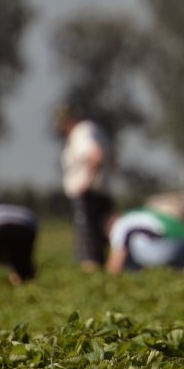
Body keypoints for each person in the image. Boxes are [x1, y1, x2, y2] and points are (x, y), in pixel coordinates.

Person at [56, 104, 115, 272]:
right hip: (100, 195)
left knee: (89, 251)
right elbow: (112, 158)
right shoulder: (94, 130)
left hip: (88, 198)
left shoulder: (82, 132)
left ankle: (93, 282)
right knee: (100, 246)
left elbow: (96, 155)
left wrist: (86, 183)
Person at [104, 205, 184, 274]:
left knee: (130, 246)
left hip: (169, 247)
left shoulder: (121, 223)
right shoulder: (143, 213)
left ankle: (134, 278)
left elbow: (116, 261)